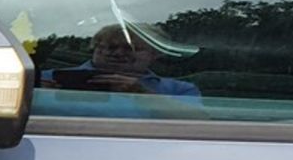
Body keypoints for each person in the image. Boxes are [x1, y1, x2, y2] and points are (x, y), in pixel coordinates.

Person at [39, 23, 202, 106]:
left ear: (155, 54)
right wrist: (36, 95)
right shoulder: (45, 78)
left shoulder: (179, 90)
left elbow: (196, 122)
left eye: (130, 49)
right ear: (94, 48)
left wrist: (141, 94)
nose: (118, 53)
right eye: (110, 47)